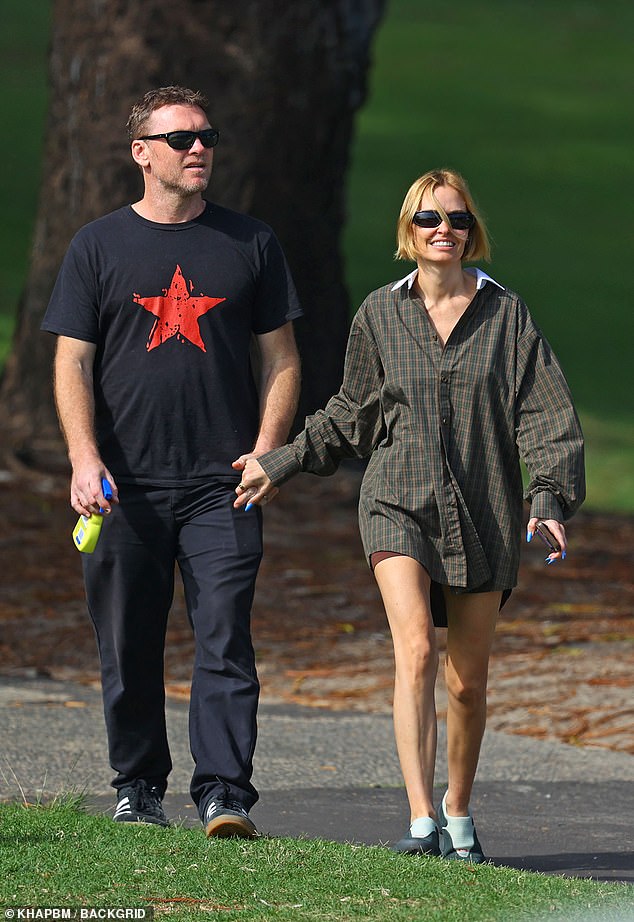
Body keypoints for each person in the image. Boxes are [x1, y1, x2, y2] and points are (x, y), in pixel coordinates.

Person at [233, 168, 585, 862]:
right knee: (416, 648)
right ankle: (421, 820)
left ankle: (458, 810)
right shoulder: (379, 314)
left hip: (482, 509)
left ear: (471, 231)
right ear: (409, 231)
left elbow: (546, 414)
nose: (443, 230)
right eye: (428, 219)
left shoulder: (507, 315)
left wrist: (546, 498)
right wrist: (284, 460)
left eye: (455, 219)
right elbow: (353, 413)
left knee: (468, 678)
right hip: (397, 498)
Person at [42, 86, 302, 837]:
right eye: (182, 137)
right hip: (125, 486)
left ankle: (224, 794)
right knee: (127, 640)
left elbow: (282, 361)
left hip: (224, 484)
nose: (199, 149)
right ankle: (139, 788)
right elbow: (71, 363)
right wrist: (83, 458)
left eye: (207, 137)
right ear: (141, 153)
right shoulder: (97, 245)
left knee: (225, 635)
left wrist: (268, 452)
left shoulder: (250, 242)